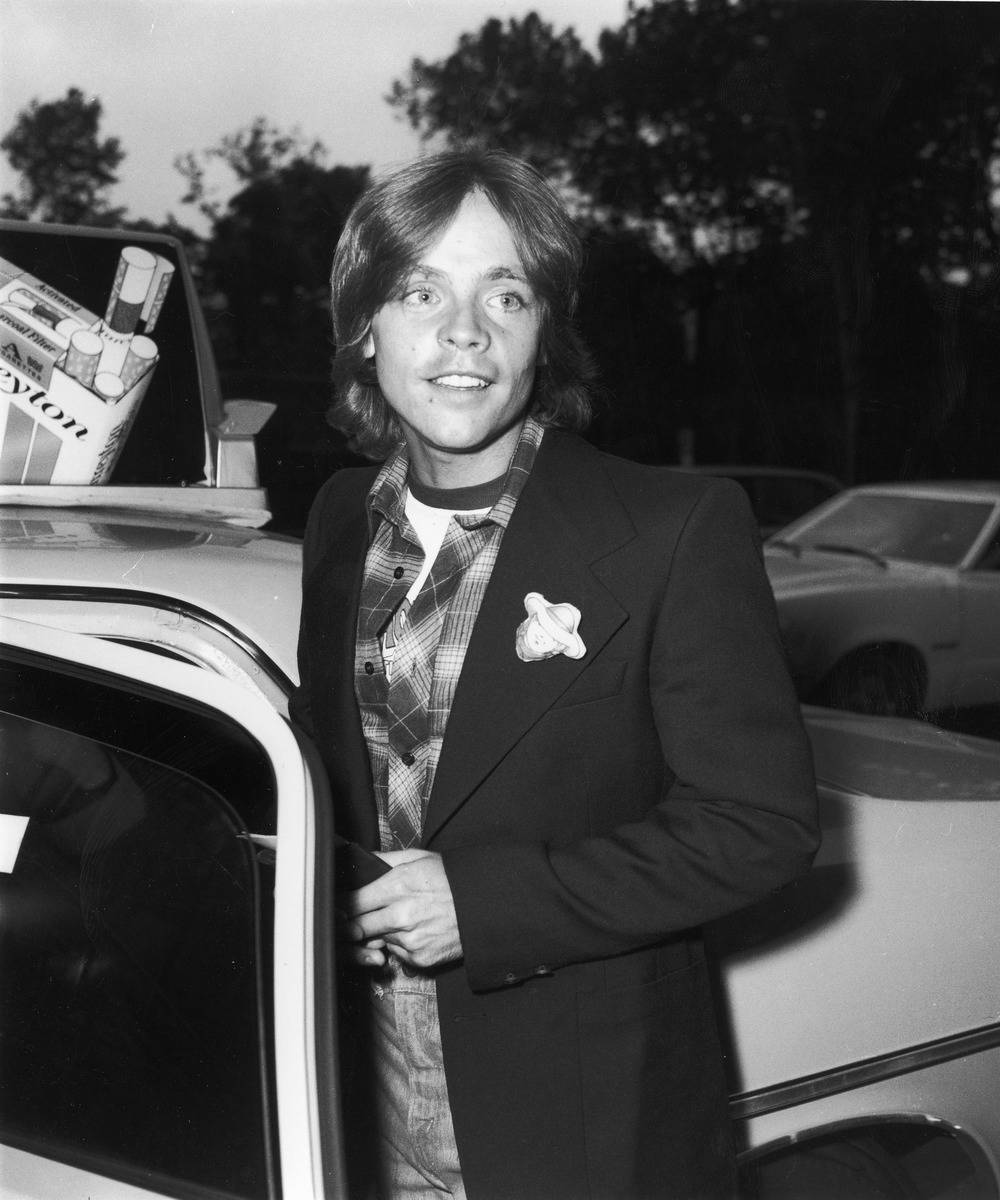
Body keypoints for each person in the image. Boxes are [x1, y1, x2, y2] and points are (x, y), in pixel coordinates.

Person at [290, 148, 820, 1200]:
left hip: (571, 1118)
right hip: (343, 1088)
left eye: (507, 292)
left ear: (546, 330)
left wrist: (484, 905)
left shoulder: (673, 529)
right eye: (419, 290)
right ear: (366, 329)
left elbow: (762, 825)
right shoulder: (340, 519)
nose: (464, 332)